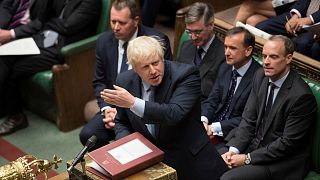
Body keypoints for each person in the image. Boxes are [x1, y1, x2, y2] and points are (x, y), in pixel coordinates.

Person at [100, 36, 228, 180]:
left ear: (162, 58)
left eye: (155, 63)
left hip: (191, 161)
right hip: (153, 165)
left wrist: (133, 103)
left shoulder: (186, 75)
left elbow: (173, 114)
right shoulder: (124, 81)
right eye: (145, 67)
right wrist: (129, 148)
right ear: (135, 69)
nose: (153, 70)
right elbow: (122, 121)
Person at [79, 0, 172, 150]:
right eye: (113, 21)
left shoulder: (156, 41)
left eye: (121, 23)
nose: (116, 27)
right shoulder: (104, 41)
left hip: (143, 107)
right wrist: (107, 109)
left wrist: (129, 107)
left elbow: (162, 84)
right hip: (114, 107)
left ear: (136, 21)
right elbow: (100, 82)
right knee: (88, 135)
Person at [220, 35, 317, 180]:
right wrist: (234, 150)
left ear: (288, 58)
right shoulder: (260, 76)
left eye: (273, 57)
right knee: (209, 160)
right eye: (264, 56)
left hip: (281, 161)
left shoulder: (301, 97)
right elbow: (249, 120)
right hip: (253, 147)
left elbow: (287, 144)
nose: (266, 62)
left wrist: (246, 158)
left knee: (228, 178)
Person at [0, 0, 101, 135]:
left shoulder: (91, 2)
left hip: (64, 50)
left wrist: (48, 23)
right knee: (5, 55)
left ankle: (16, 117)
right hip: (42, 40)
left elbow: (67, 27)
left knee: (13, 69)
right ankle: (10, 111)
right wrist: (48, 22)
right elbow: (42, 17)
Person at [201, 27, 261, 152]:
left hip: (233, 136)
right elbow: (212, 100)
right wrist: (204, 120)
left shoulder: (260, 78)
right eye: (225, 47)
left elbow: (248, 119)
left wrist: (215, 127)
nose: (227, 53)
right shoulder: (225, 67)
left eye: (233, 48)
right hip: (212, 127)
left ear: (248, 51)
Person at [176, 2, 225, 100]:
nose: (193, 37)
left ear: (211, 25)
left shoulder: (224, 55)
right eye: (189, 32)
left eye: (198, 32)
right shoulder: (186, 47)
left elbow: (217, 97)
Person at [256, 0, 320, 60]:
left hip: (316, 24)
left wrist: (310, 19)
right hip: (302, 14)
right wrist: (295, 16)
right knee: (262, 28)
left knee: (303, 44)